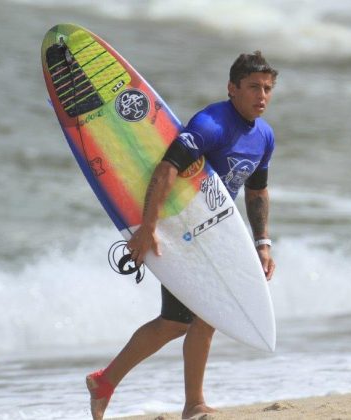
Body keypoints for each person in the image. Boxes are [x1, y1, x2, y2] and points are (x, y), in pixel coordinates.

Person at [86, 51, 278, 420]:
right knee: (188, 319)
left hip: (216, 231)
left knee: (191, 319)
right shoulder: (210, 124)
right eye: (253, 87)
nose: (262, 95)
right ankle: (183, 402)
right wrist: (147, 229)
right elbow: (165, 171)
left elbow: (256, 191)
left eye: (268, 88)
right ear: (232, 88)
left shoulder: (264, 136)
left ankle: (111, 383)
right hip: (180, 228)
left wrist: (262, 243)